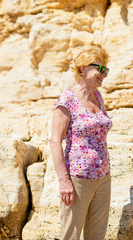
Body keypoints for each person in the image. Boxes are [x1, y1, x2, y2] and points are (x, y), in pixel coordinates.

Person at [49, 45, 112, 240]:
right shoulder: (67, 100)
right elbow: (55, 141)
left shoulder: (98, 96)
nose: (104, 74)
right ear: (83, 68)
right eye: (100, 69)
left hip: (103, 177)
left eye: (106, 70)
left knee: (97, 236)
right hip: (78, 179)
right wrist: (64, 181)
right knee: (71, 235)